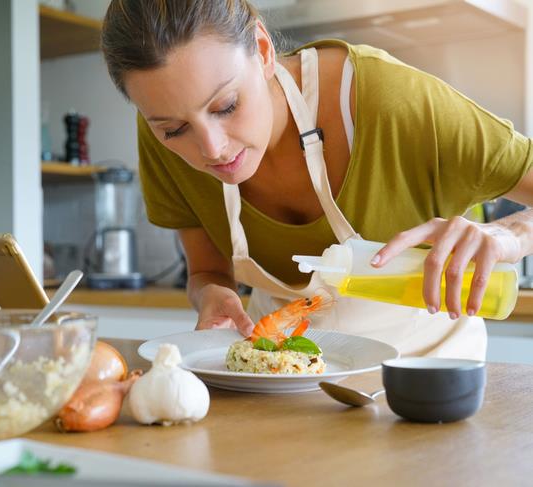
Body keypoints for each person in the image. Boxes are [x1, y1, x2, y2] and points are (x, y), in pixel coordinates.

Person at [100, 0, 533, 360]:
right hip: (284, 386)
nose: (212, 148)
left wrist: (510, 233)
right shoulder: (158, 136)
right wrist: (210, 294)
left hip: (424, 388)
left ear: (264, 49)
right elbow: (207, 271)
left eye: (226, 105)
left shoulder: (390, 102)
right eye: (174, 130)